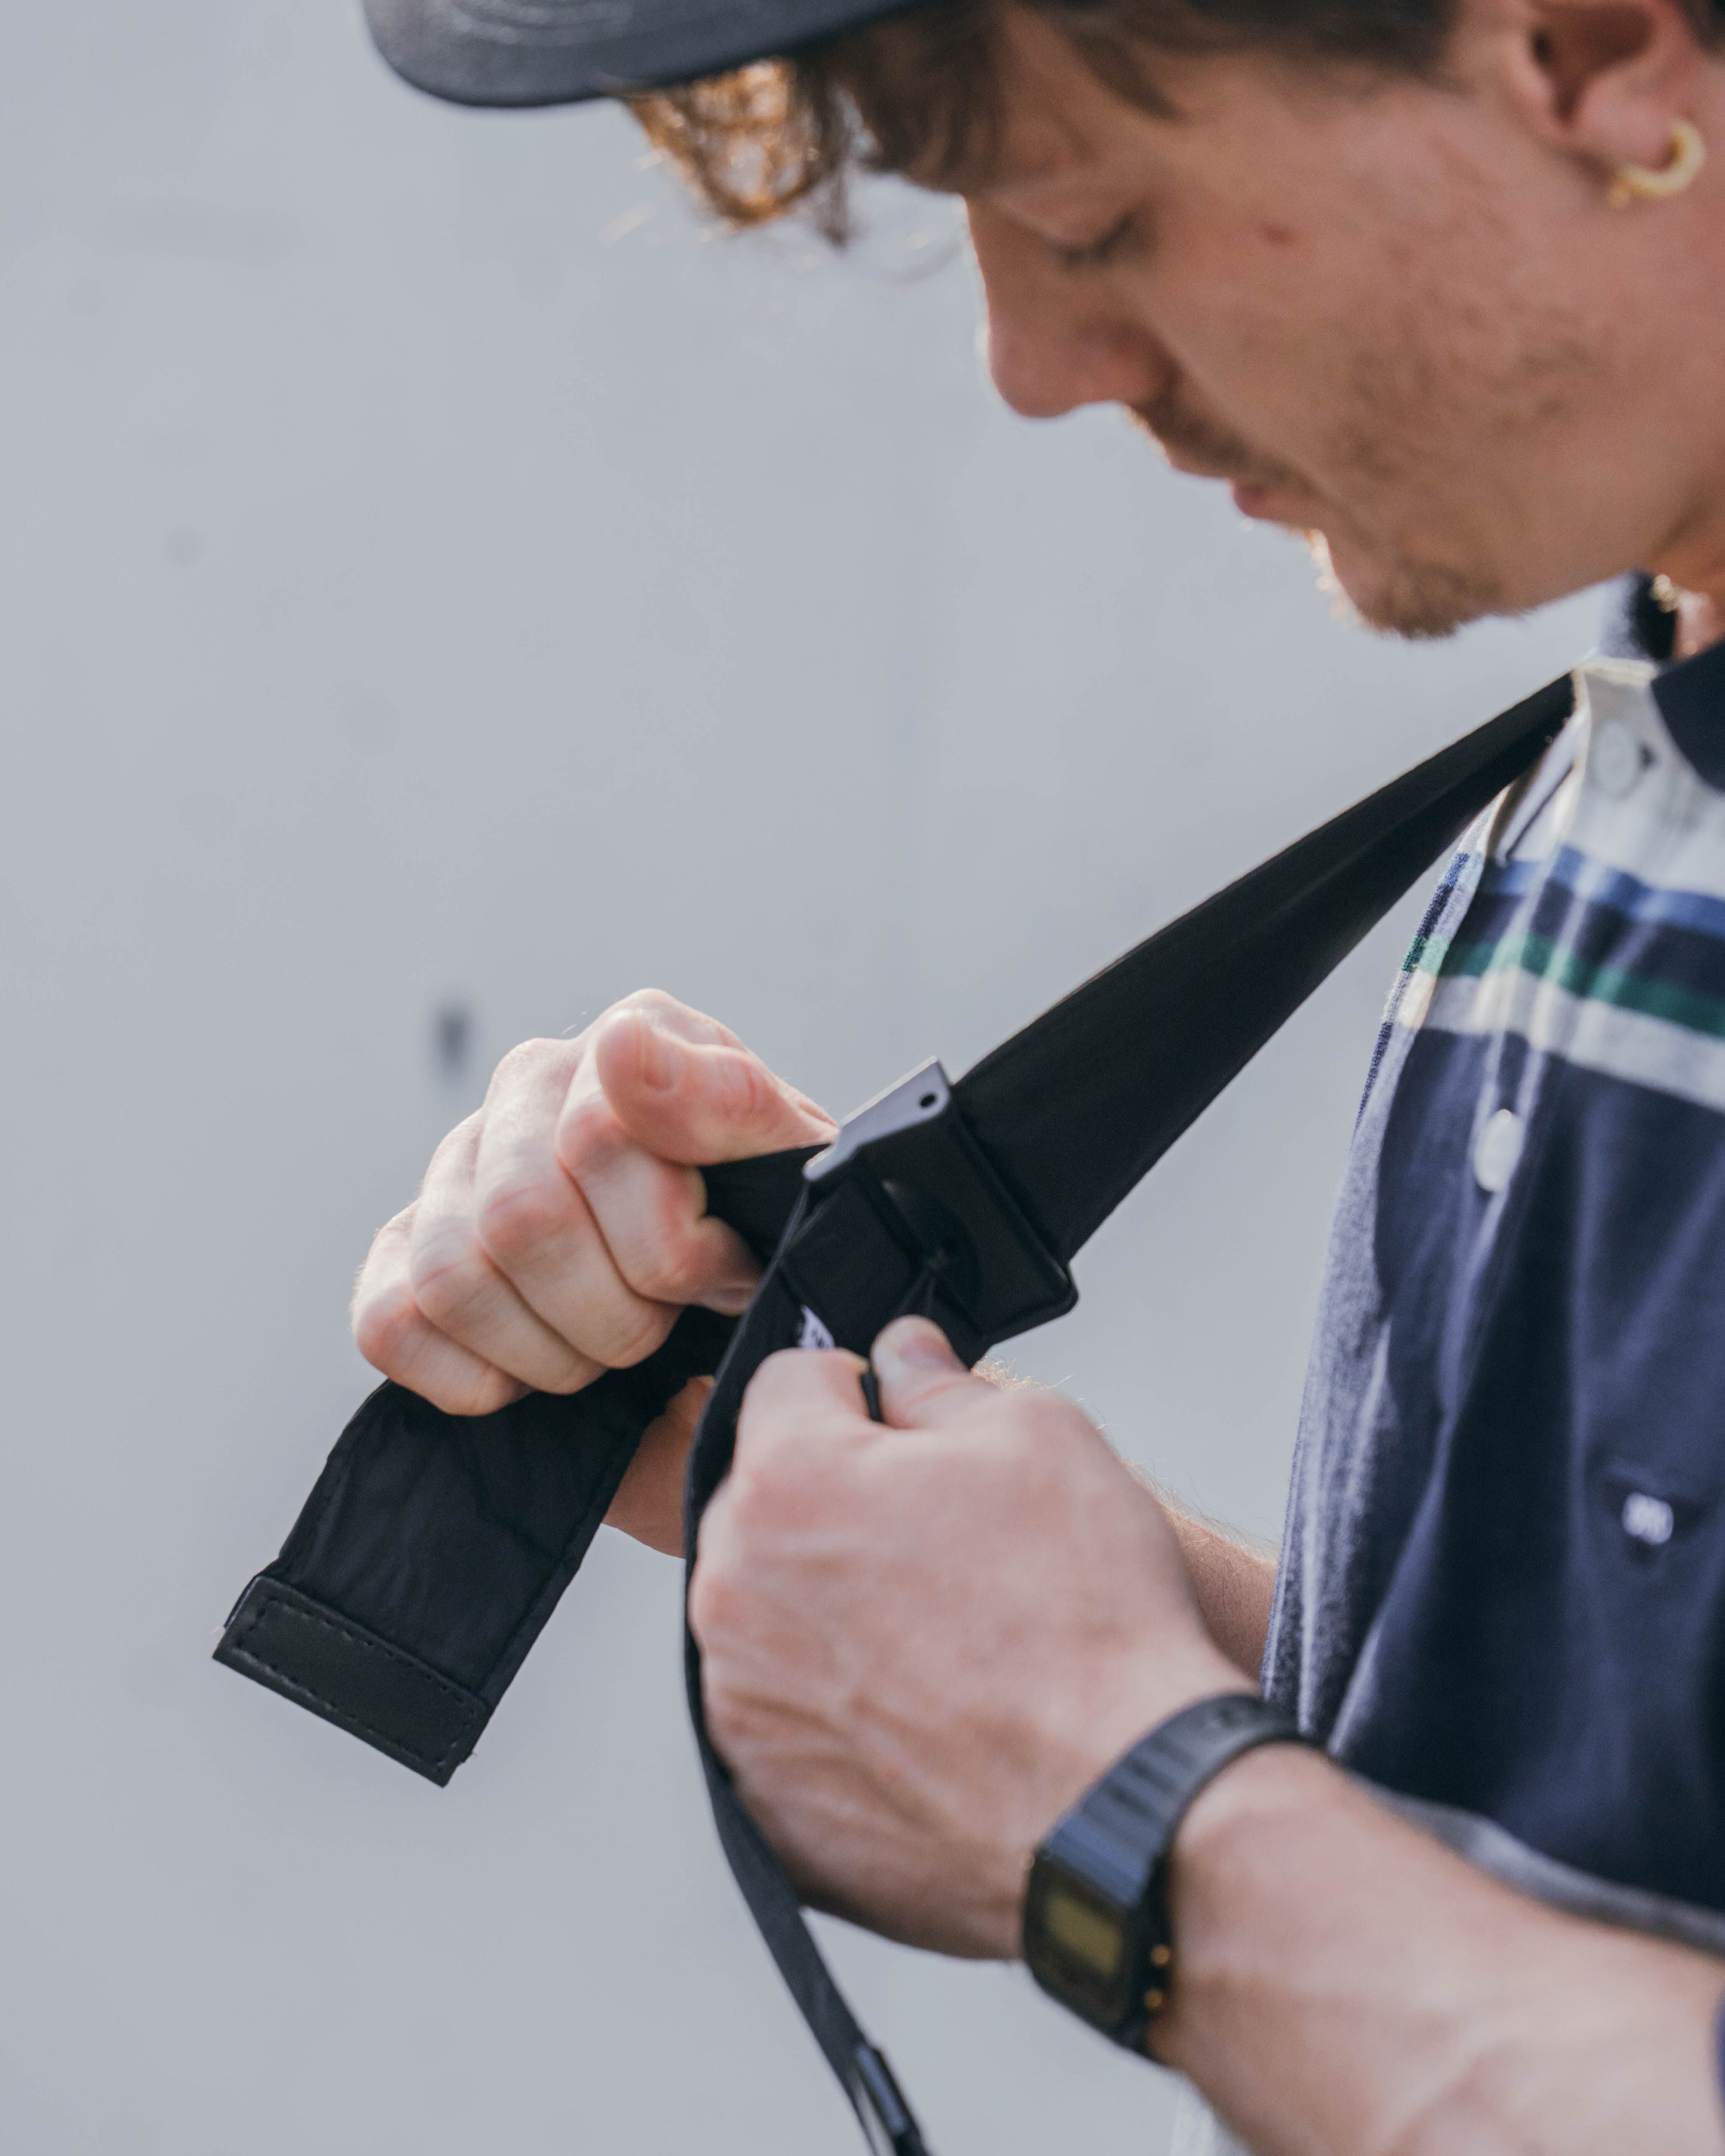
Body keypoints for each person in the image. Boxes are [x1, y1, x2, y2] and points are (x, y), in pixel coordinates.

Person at [348, 0, 1725, 2143]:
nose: (1031, 364)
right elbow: (1582, 1826)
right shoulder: (1615, 783)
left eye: (1091, 219)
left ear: (1593, 51)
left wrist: (1130, 1811)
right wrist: (889, 1501)